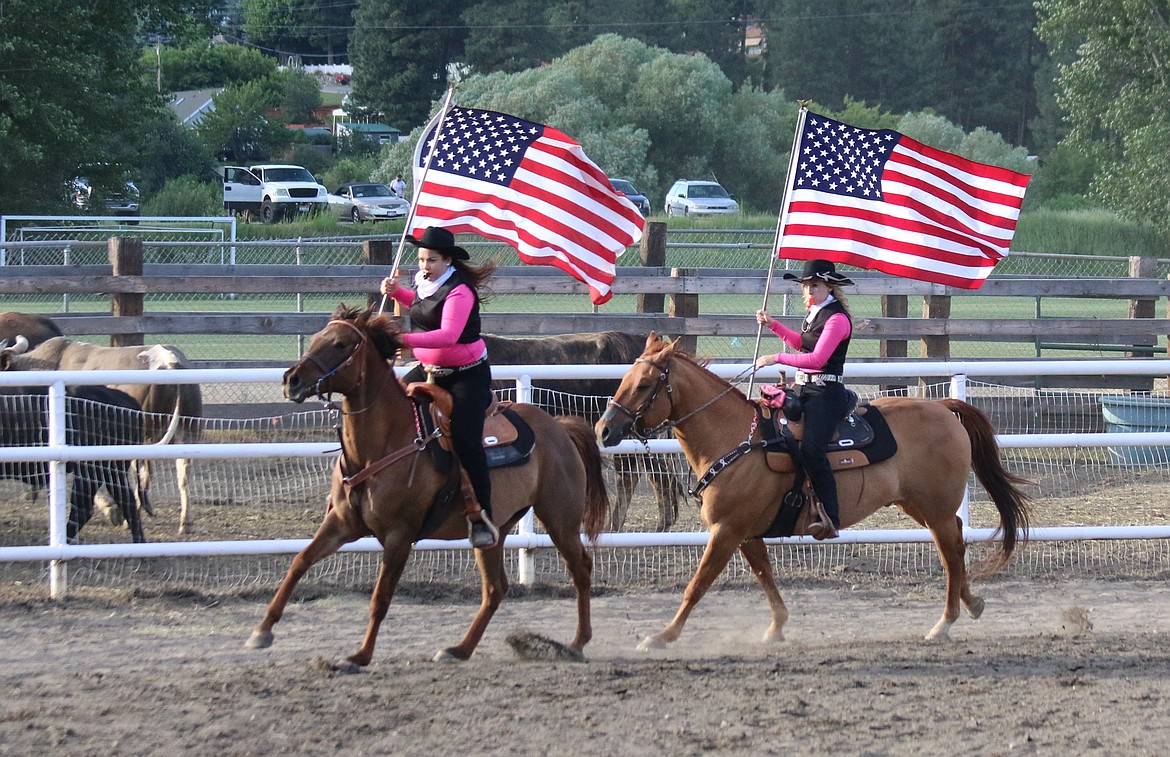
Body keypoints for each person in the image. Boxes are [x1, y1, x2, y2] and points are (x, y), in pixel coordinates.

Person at [380, 226, 499, 548]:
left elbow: (448, 334)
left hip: (466, 375)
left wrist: (401, 339)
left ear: (447, 261)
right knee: (389, 406)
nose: (424, 265)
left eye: (431, 260)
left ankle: (482, 515)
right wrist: (397, 294)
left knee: (465, 439)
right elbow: (422, 306)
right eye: (421, 259)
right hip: (430, 369)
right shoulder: (428, 285)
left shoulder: (460, 292)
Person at [755, 258, 855, 540]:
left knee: (812, 449)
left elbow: (818, 358)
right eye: (806, 287)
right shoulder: (816, 314)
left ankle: (831, 516)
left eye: (815, 286)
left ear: (829, 287)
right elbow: (802, 344)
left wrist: (775, 358)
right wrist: (774, 324)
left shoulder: (836, 319)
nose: (808, 292)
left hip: (827, 393)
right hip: (806, 389)